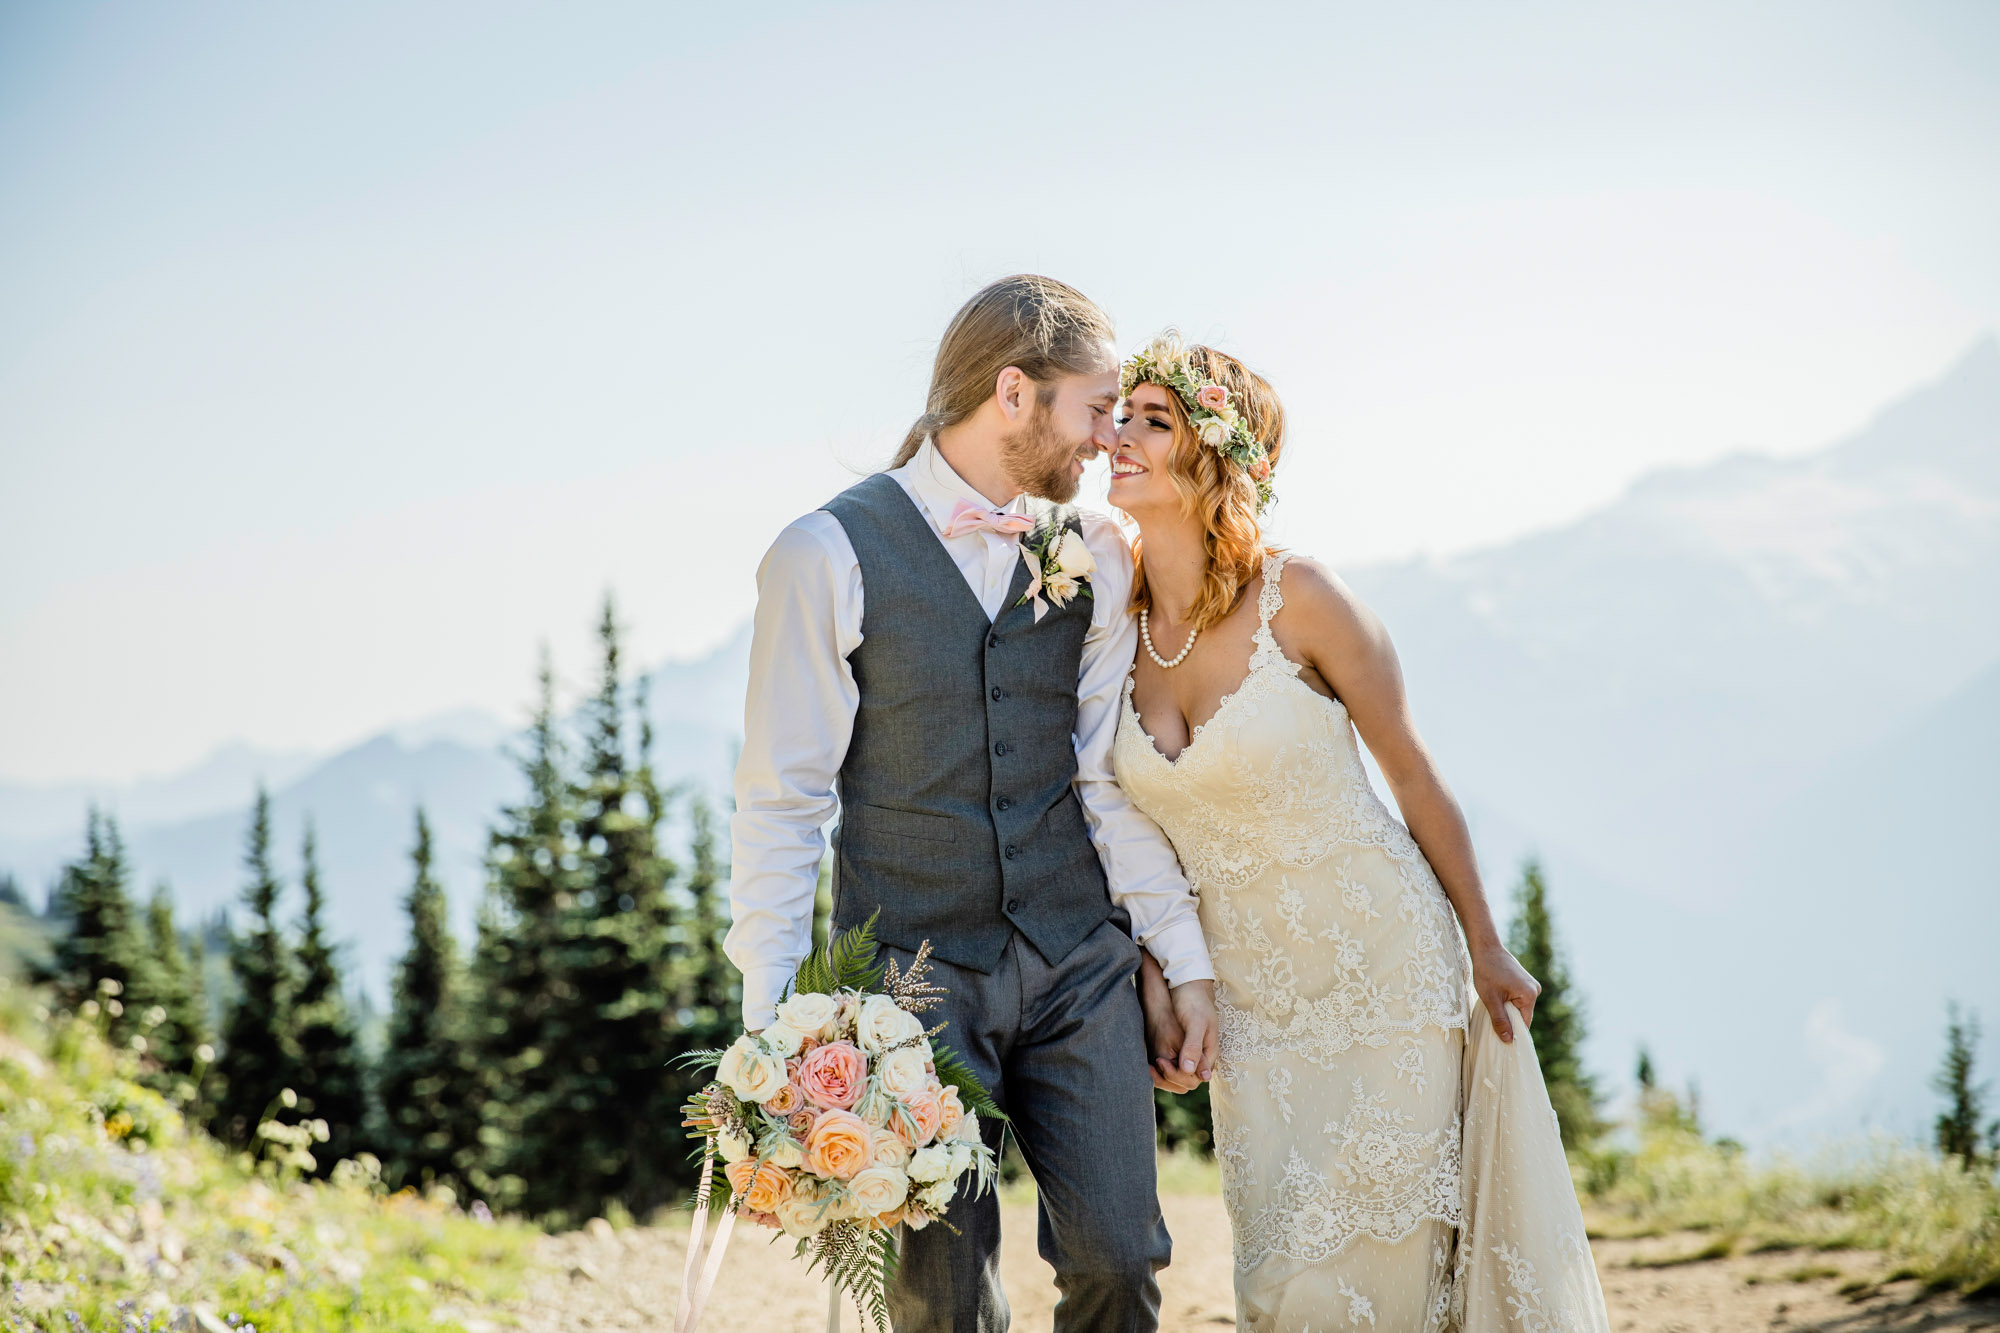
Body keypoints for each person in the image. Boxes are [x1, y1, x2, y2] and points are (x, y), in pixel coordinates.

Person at [725, 276, 1218, 1332]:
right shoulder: (824, 553)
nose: (1105, 439)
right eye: (1094, 408)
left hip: (1077, 959)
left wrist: (1177, 955)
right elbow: (781, 801)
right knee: (941, 1302)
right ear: (1012, 394)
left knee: (1120, 1259)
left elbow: (1102, 776)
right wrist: (771, 1026)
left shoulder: (1096, 554)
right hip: (908, 984)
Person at [1110, 332, 1612, 1332]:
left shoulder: (1303, 598)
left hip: (1383, 977)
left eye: (1151, 420)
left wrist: (1483, 939)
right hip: (1251, 1016)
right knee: (1278, 1285)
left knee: (1365, 1290)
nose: (1115, 433)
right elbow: (1111, 827)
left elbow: (1413, 777)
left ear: (1217, 455)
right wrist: (1156, 971)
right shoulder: (1100, 630)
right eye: (1119, 413)